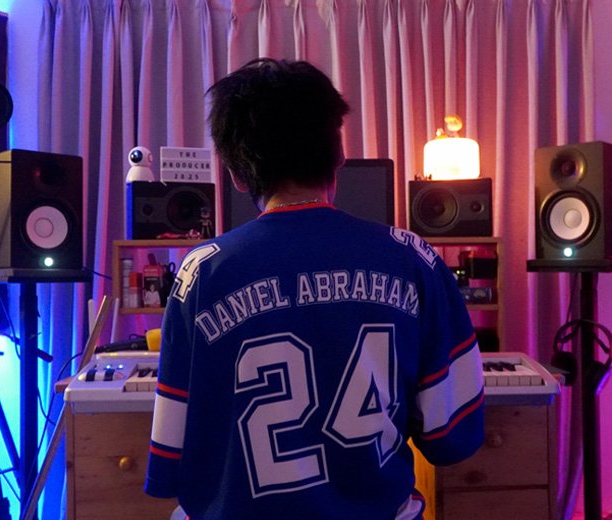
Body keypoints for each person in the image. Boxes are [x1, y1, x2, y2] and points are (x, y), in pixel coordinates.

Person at [145, 58, 484, 520]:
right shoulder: (414, 260)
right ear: (338, 152)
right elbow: (453, 437)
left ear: (237, 174)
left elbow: (172, 459)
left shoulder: (201, 272)